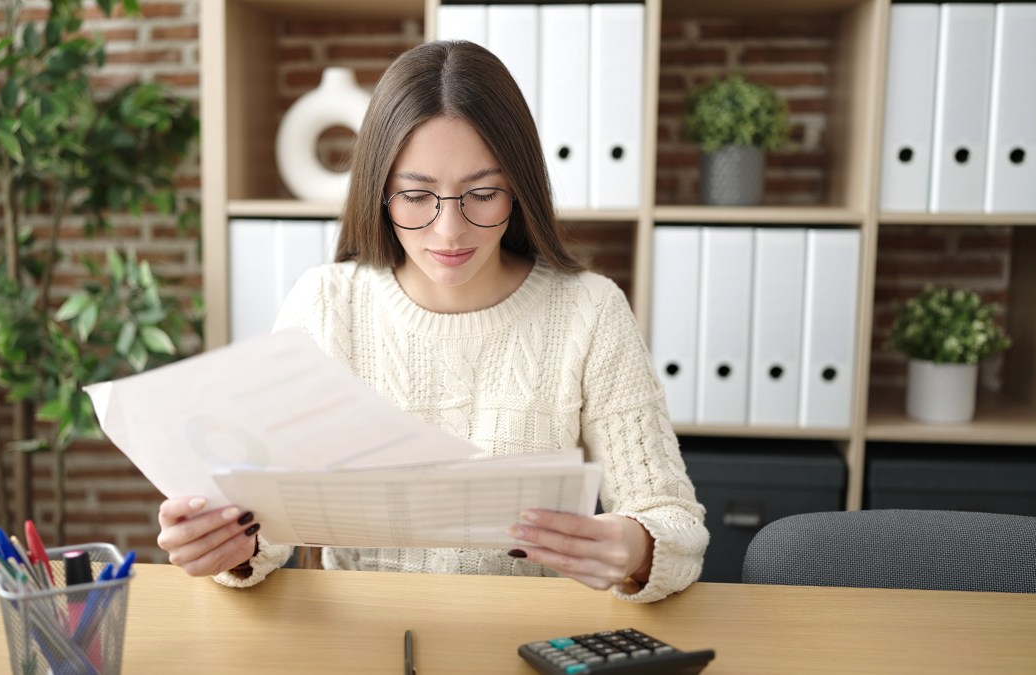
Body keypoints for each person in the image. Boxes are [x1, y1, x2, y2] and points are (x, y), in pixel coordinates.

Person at [156, 40, 708, 603]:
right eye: (417, 196)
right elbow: (266, 525)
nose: (450, 231)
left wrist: (636, 547)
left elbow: (674, 520)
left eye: (483, 193)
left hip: (524, 641)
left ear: (518, 189)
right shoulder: (327, 304)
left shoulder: (589, 311)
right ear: (379, 193)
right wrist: (229, 542)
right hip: (361, 639)